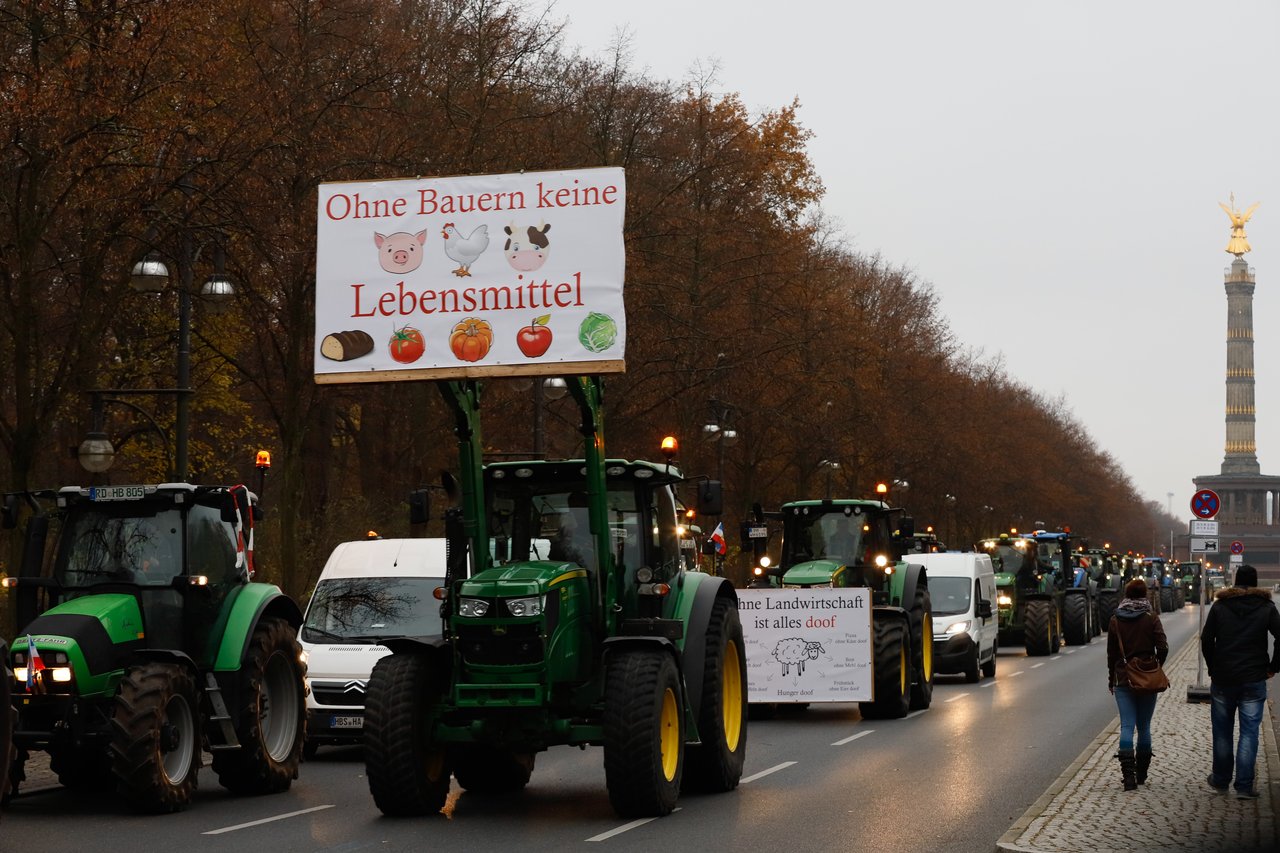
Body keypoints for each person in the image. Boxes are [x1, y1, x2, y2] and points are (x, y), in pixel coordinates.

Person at [1201, 564, 1280, 799]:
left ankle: (1221, 780)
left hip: (1224, 678)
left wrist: (1213, 667)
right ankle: (1244, 786)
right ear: (1255, 583)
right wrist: (1273, 667)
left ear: (1235, 581)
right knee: (1249, 732)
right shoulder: (1266, 607)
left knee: (1222, 732)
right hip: (1254, 677)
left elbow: (1207, 639)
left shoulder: (1220, 606)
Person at [1107, 577, 1168, 791]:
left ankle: (1129, 778)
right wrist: (1155, 665)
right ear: (1145, 595)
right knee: (1144, 727)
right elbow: (1163, 646)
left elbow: (1111, 653)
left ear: (1126, 595)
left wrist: (1111, 678)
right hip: (1147, 678)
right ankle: (1142, 774)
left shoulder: (1115, 619)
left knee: (1126, 726)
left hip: (1123, 678)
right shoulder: (1151, 617)